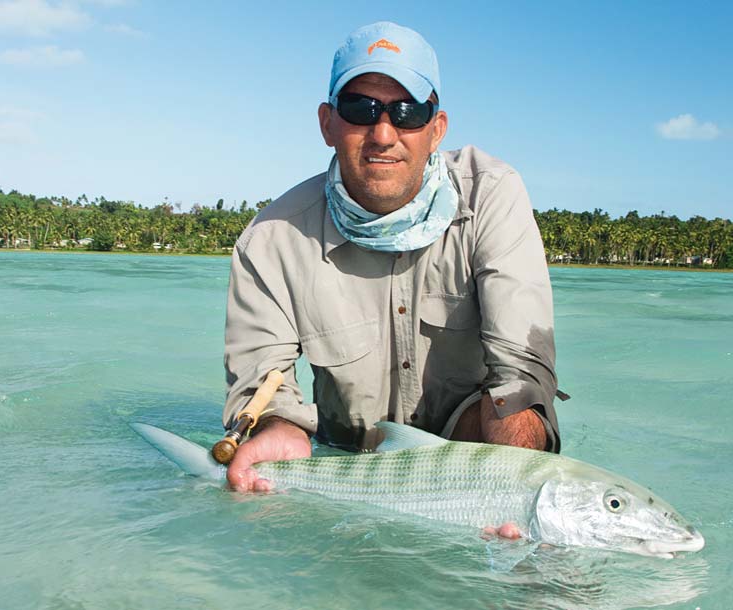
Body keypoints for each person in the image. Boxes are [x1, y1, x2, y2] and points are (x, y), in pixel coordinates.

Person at [219, 23, 562, 537]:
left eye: (407, 112)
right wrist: (277, 426)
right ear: (327, 123)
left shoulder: (493, 195)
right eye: (361, 109)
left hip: (475, 454)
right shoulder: (270, 238)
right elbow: (264, 377)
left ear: (437, 127)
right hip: (350, 457)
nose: (383, 134)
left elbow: (520, 371)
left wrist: (508, 488)